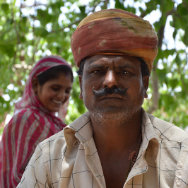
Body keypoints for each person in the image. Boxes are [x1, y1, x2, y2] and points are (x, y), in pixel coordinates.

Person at [17, 9, 188, 188]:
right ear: (82, 85)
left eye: (124, 72)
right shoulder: (49, 157)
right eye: (97, 71)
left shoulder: (181, 154)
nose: (110, 81)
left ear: (144, 85)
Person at [0, 55, 73, 187]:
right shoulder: (26, 119)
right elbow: (18, 177)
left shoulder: (54, 124)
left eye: (67, 91)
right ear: (35, 85)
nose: (62, 96)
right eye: (55, 88)